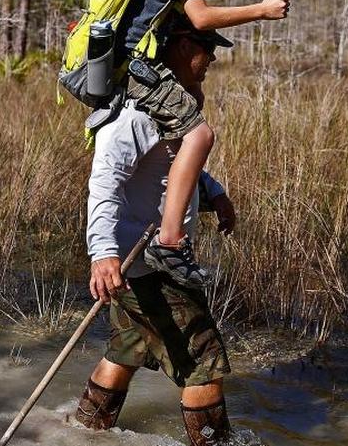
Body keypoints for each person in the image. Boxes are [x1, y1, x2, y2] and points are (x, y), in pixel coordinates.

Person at [118, 0, 288, 282]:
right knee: (200, 134)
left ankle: (194, 204)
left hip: (134, 65)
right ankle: (170, 241)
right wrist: (261, 10)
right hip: (139, 67)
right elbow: (201, 16)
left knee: (191, 116)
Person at [76, 26, 238, 446]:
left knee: (126, 348)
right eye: (208, 50)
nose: (213, 59)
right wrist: (103, 253)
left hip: (135, 267)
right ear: (184, 47)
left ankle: (84, 433)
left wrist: (214, 192)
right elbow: (104, 181)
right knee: (203, 361)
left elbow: (170, 168)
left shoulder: (169, 109)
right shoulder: (137, 113)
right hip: (145, 264)